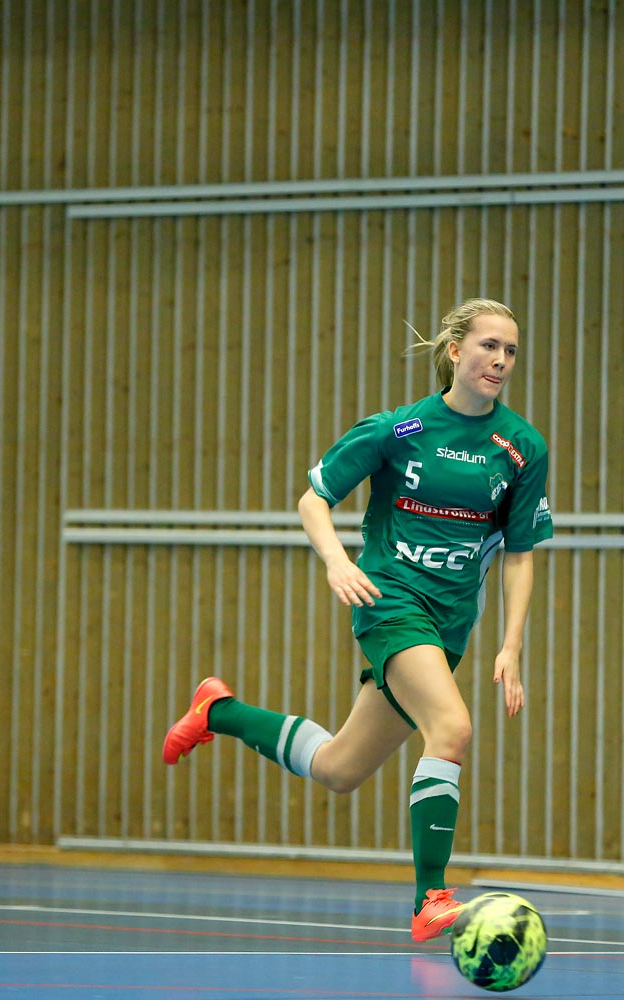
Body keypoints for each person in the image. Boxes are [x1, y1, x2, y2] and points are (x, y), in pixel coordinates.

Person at [162, 297, 553, 941]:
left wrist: (510, 645)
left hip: (449, 624)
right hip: (391, 605)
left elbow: (519, 555)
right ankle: (431, 898)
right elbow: (313, 499)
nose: (501, 360)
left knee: (340, 769)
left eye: (510, 350)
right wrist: (337, 561)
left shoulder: (521, 448)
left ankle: (217, 711)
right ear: (454, 352)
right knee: (452, 728)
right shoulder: (395, 431)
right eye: (489, 346)